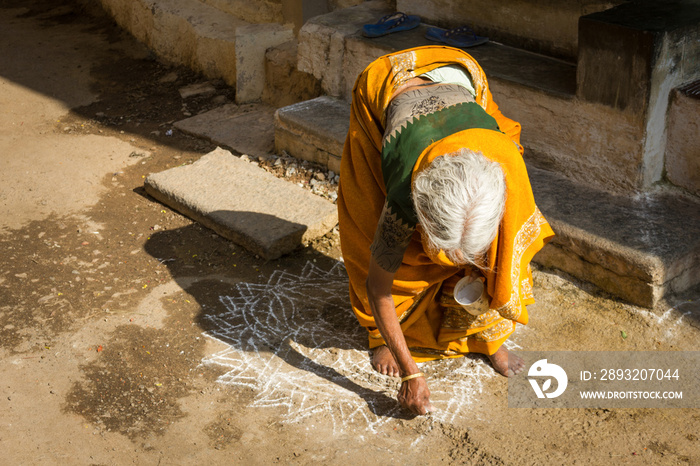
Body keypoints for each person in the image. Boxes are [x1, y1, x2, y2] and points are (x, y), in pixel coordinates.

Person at [337, 46, 555, 416]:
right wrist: (410, 374)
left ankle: (489, 339)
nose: (453, 259)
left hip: (459, 71)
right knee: (367, 233)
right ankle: (384, 336)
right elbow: (379, 286)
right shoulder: (405, 189)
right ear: (419, 213)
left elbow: (507, 247)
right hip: (384, 88)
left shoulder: (506, 167)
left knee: (498, 250)